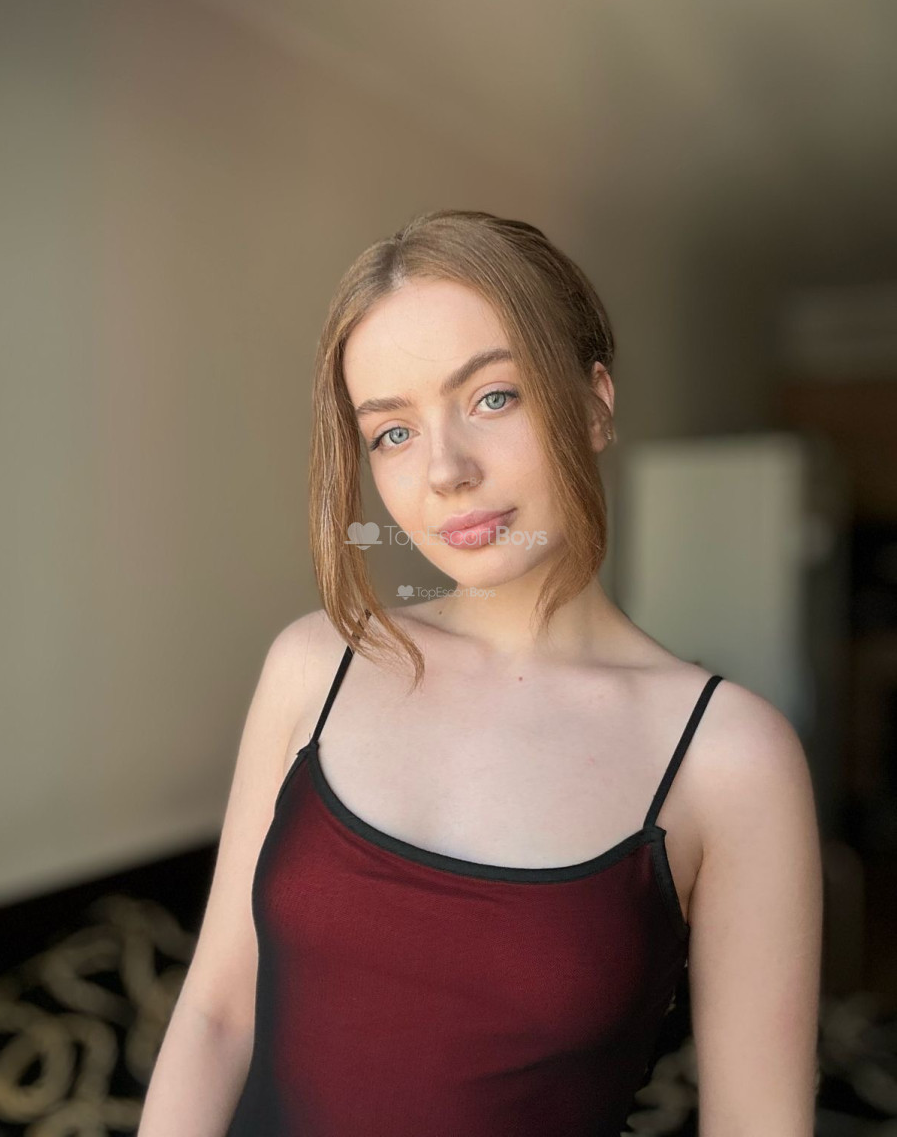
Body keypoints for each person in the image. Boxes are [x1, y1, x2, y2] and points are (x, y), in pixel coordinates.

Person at [138, 209, 823, 1136]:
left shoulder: (729, 756)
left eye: (492, 397)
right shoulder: (315, 667)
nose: (446, 471)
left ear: (594, 402)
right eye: (392, 433)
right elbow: (219, 1017)